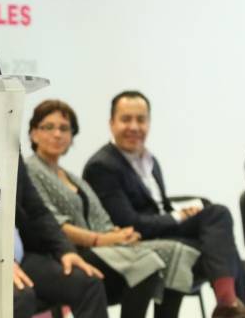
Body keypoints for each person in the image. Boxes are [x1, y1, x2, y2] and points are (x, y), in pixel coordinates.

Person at [84, 91, 245, 318]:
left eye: (141, 119)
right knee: (218, 228)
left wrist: (184, 211)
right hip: (134, 242)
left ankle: (230, 306)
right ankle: (231, 305)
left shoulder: (150, 161)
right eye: (126, 119)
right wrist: (178, 217)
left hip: (161, 234)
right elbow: (128, 223)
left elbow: (160, 207)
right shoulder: (102, 166)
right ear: (111, 123)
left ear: (149, 122)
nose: (134, 127)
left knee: (216, 226)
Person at [25, 99, 201, 318]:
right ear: (33, 134)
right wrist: (102, 239)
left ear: (72, 136)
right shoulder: (30, 169)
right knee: (146, 265)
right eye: (48, 127)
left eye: (64, 128)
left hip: (98, 246)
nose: (57, 134)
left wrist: (119, 234)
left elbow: (100, 216)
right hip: (65, 252)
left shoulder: (70, 176)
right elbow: (52, 223)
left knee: (177, 253)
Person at [15, 156, 110, 318]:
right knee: (21, 296)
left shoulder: (11, 149)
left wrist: (65, 250)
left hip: (21, 256)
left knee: (88, 282)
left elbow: (37, 211)